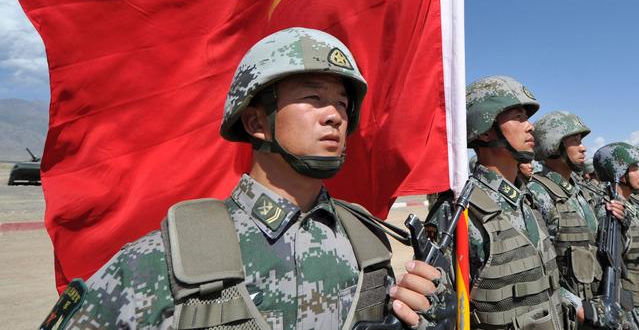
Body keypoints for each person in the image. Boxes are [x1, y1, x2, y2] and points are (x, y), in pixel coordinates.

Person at [41, 28, 450, 330]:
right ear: (256, 121)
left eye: (342, 103)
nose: (335, 115)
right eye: (313, 98)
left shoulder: (367, 242)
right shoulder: (170, 258)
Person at [441, 75, 569, 328]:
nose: (530, 127)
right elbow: (441, 310)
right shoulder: (460, 210)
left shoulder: (527, 201)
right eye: (519, 117)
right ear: (486, 131)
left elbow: (546, 284)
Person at [527, 111, 628, 328]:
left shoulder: (581, 192)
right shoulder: (538, 194)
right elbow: (536, 268)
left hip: (596, 306)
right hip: (569, 315)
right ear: (554, 146)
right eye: (575, 141)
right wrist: (575, 305)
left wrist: (619, 219)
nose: (583, 147)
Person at [593, 142, 639, 328]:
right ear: (619, 172)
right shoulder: (610, 210)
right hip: (634, 310)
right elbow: (613, 258)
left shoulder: (633, 206)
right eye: (634, 168)